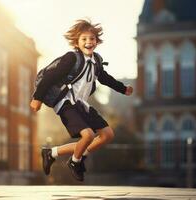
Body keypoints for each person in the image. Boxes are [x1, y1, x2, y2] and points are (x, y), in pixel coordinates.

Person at [30, 19, 133, 182]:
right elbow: (50, 77)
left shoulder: (96, 61)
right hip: (66, 103)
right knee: (88, 135)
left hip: (82, 105)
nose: (88, 42)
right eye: (84, 39)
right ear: (77, 42)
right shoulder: (71, 58)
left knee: (107, 135)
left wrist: (123, 88)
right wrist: (37, 98)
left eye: (92, 39)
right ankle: (75, 161)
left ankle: (51, 153)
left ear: (96, 41)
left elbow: (105, 78)